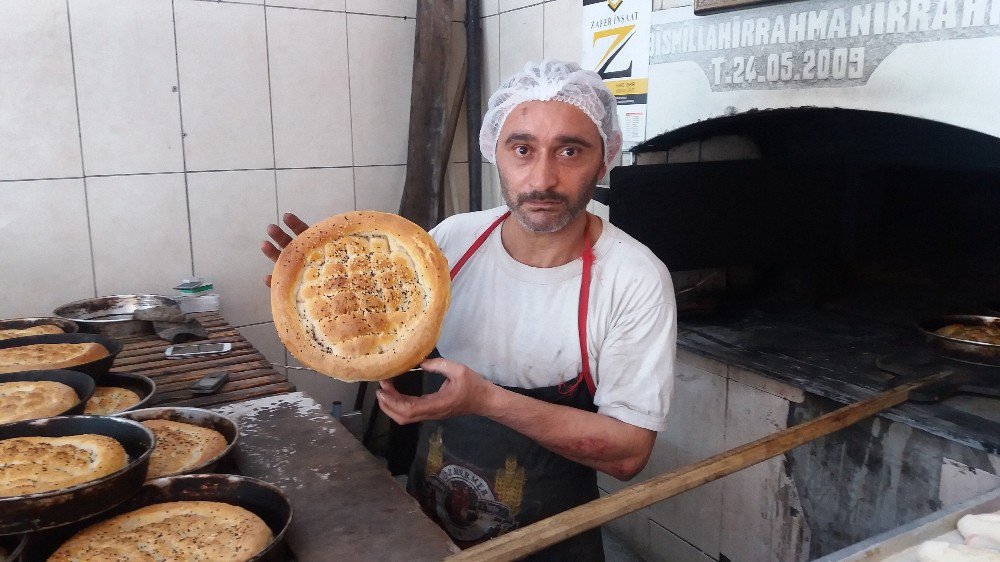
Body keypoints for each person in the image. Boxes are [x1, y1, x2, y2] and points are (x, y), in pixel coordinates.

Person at [262, 60, 676, 560]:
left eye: (570, 150)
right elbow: (394, 345)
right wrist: (339, 293)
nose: (542, 178)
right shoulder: (453, 242)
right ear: (495, 153)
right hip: (431, 526)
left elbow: (629, 453)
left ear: (606, 156)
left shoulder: (633, 278)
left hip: (550, 542)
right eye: (521, 149)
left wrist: (486, 401)